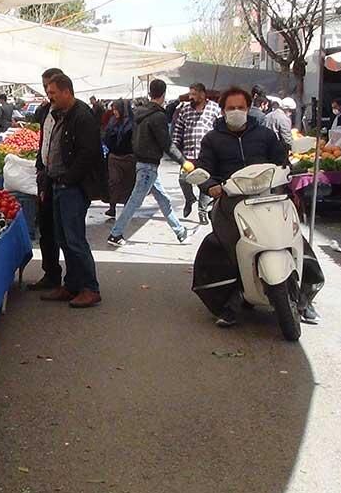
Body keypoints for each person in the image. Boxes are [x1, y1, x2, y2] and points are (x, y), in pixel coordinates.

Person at [196, 87, 289, 327]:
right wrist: (210, 185)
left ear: (248, 109)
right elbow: (204, 170)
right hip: (230, 202)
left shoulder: (266, 135)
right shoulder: (211, 140)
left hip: (267, 198)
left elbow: (282, 160)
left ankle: (302, 294)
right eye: (231, 108)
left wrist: (287, 172)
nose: (236, 111)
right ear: (222, 110)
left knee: (291, 234)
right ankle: (230, 302)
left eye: (241, 107)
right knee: (227, 246)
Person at [38, 73, 104, 307]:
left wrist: (68, 179)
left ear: (67, 92)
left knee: (75, 239)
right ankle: (72, 285)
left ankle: (90, 288)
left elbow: (88, 154)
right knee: (63, 238)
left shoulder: (82, 116)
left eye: (53, 93)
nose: (50, 97)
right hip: (58, 184)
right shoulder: (61, 113)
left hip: (72, 188)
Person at [107, 80, 188, 246]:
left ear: (150, 93)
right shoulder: (158, 116)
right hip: (148, 167)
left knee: (163, 199)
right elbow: (167, 144)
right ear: (163, 94)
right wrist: (183, 161)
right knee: (135, 201)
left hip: (142, 164)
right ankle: (115, 234)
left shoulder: (139, 113)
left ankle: (180, 231)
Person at [31, 68, 65, 291]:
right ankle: (51, 273)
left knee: (65, 233)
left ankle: (77, 283)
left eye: (51, 89)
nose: (47, 93)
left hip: (63, 179)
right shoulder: (45, 111)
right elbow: (43, 140)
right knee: (46, 228)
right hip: (46, 175)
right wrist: (40, 168)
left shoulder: (72, 112)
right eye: (45, 88)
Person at [171, 83, 221, 221]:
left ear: (202, 94)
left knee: (204, 182)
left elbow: (220, 129)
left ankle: (202, 211)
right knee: (183, 179)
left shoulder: (214, 108)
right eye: (190, 94)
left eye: (193, 94)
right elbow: (178, 130)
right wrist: (174, 147)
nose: (190, 97)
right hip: (188, 154)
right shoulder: (185, 110)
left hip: (206, 155)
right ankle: (189, 199)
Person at [101, 99, 135, 220]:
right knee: (114, 182)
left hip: (129, 157)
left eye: (116, 109)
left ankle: (127, 207)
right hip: (114, 157)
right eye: (113, 109)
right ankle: (112, 207)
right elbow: (106, 135)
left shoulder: (132, 123)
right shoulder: (112, 121)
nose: (114, 112)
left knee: (128, 184)